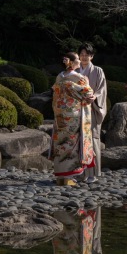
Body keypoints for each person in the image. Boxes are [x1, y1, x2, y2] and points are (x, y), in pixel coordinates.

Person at [50, 52, 96, 186]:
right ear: (72, 62)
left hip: (60, 115)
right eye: (77, 59)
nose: (80, 61)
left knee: (60, 144)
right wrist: (88, 85)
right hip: (73, 115)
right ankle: (68, 176)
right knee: (72, 145)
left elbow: (55, 95)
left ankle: (60, 177)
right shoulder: (78, 77)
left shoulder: (60, 76)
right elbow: (88, 93)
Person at [77, 43, 107, 182]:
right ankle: (79, 172)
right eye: (81, 54)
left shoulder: (98, 71)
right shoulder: (76, 70)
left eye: (86, 55)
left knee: (92, 139)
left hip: (92, 109)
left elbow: (102, 89)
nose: (84, 57)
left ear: (91, 56)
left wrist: (94, 97)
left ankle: (92, 174)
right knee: (78, 140)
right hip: (77, 110)